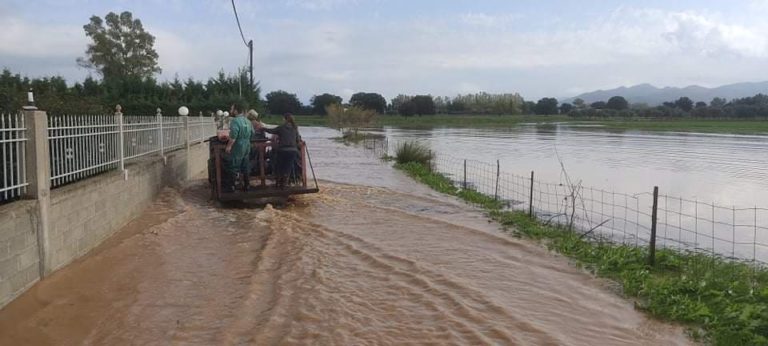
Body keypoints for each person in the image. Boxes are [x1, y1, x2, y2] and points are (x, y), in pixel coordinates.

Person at [264, 113, 300, 189]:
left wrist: (263, 128)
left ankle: (278, 183)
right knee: (287, 167)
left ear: (285, 119)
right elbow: (298, 140)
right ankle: (284, 184)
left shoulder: (281, 127)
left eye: (283, 119)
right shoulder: (295, 127)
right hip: (293, 150)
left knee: (279, 166)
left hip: (283, 150)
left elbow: (272, 131)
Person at [225, 102, 254, 192]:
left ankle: (232, 187)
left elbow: (233, 135)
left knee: (233, 166)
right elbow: (253, 133)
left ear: (236, 111)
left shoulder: (235, 121)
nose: (231, 110)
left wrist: (229, 146)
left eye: (232, 109)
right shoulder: (248, 121)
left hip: (238, 146)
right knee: (245, 166)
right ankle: (247, 185)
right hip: (246, 145)